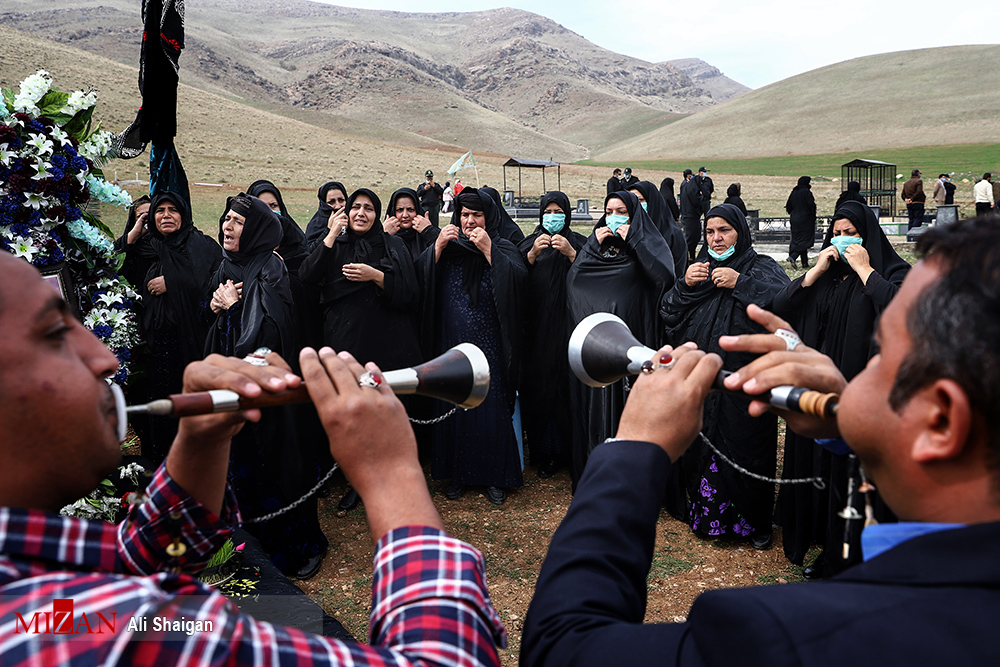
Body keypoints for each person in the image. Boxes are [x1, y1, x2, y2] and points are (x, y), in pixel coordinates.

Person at [522, 216, 1000, 667]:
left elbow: (562, 645)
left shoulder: (790, 636)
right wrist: (850, 429)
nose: (858, 373)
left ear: (940, 421)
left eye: (881, 353)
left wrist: (634, 447)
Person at [0, 251, 507, 666]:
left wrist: (200, 439)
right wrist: (391, 472)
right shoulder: (101, 635)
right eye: (54, 335)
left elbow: (138, 562)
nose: (103, 358)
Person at [771, 200, 910, 576]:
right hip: (818, 389)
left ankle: (842, 550)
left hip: (862, 393)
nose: (843, 240)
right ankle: (811, 530)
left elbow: (904, 314)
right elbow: (779, 307)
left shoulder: (893, 272)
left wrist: (866, 271)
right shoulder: (828, 276)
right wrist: (813, 273)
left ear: (869, 235)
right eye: (837, 233)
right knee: (816, 461)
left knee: (849, 473)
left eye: (852, 233)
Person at [206, 193, 329, 580]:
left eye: (238, 222)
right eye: (226, 219)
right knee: (239, 469)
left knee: (280, 468)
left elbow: (272, 333)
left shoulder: (270, 267)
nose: (228, 225)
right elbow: (211, 323)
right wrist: (214, 309)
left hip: (270, 392)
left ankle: (296, 546)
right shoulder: (225, 265)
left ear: (256, 229)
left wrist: (232, 308)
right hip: (233, 388)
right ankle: (250, 544)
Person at [660, 204, 789, 549]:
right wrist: (685, 286)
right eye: (710, 232)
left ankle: (754, 525)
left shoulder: (761, 268)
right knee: (704, 449)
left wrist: (740, 284)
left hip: (745, 383)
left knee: (747, 448)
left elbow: (786, 304)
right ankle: (707, 518)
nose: (716, 239)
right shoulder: (699, 271)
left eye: (724, 231)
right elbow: (669, 313)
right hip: (704, 383)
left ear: (740, 233)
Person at [300, 188, 424, 513]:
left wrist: (377, 276)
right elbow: (307, 276)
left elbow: (411, 293)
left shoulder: (393, 245)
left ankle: (389, 476)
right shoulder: (333, 244)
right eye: (356, 207)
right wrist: (329, 235)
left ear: (377, 214)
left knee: (382, 411)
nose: (361, 213)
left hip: (387, 344)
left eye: (369, 208)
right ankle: (355, 479)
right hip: (345, 342)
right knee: (352, 412)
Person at [417, 188, 528, 505]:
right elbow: (417, 281)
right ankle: (457, 475)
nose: (469, 221)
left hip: (490, 344)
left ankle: (495, 477)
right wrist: (436, 248)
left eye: (476, 214)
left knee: (489, 407)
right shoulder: (448, 248)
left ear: (488, 217)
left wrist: (490, 252)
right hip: (451, 342)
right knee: (455, 404)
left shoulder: (501, 245)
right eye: (464, 214)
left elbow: (520, 282)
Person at [565, 191, 675, 486]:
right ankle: (595, 471)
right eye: (609, 210)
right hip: (599, 347)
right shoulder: (597, 247)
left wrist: (635, 241)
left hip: (632, 341)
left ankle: (631, 476)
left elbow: (664, 277)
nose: (614, 217)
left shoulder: (648, 241)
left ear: (634, 215)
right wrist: (591, 245)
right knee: (596, 408)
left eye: (621, 211)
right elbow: (575, 282)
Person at [118, 191, 222, 464]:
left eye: (172, 210)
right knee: (157, 411)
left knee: (188, 405)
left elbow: (211, 282)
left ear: (183, 214)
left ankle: (193, 467)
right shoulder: (146, 246)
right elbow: (110, 267)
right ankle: (160, 465)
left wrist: (172, 282)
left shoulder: (200, 245)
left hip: (189, 343)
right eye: (159, 210)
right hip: (153, 345)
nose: (166, 215)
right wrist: (132, 235)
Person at [518, 191, 587, 478]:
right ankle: (546, 452)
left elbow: (593, 276)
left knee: (569, 389)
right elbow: (512, 279)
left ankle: (574, 451)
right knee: (542, 389)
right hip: (539, 335)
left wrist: (572, 254)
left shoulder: (581, 243)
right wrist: (532, 255)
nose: (553, 217)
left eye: (558, 212)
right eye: (548, 212)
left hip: (571, 330)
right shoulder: (526, 244)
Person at [628, 180, 688, 275]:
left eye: (640, 200)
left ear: (652, 201)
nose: (635, 204)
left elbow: (677, 270)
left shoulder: (672, 234)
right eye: (631, 200)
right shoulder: (627, 230)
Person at [382, 187, 440, 260]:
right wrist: (383, 236)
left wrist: (429, 232)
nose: (405, 215)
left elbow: (449, 251)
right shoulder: (386, 235)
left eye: (410, 210)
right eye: (400, 210)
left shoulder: (425, 235)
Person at [304, 181, 348, 252]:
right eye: (331, 202)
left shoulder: (354, 221)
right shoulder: (316, 225)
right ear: (324, 204)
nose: (338, 206)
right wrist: (328, 230)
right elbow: (309, 253)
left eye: (341, 200)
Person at [784, 175, 817, 269]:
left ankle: (805, 263)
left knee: (797, 239)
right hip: (805, 219)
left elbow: (788, 206)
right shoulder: (807, 193)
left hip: (794, 219)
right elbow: (811, 206)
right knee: (805, 240)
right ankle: (793, 256)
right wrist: (812, 216)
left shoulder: (794, 192)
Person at [679, 169, 703, 260]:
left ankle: (691, 257)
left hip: (688, 216)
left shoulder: (686, 187)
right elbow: (696, 202)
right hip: (691, 217)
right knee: (692, 237)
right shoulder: (692, 191)